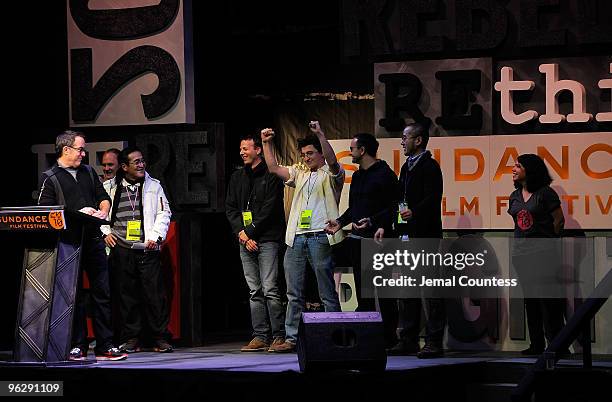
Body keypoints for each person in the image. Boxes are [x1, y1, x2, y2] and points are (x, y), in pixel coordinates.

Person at [38, 130, 127, 361]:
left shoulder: (88, 172)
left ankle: (105, 345)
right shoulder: (51, 177)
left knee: (102, 292)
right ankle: (77, 344)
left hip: (93, 240)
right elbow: (45, 215)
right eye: (80, 149)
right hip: (69, 244)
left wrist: (103, 211)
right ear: (65, 150)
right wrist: (76, 214)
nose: (83, 154)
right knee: (73, 296)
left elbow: (102, 196)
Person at [261, 121, 343, 353]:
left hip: (319, 237)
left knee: (326, 290)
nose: (306, 158)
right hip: (296, 238)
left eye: (310, 153)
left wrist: (320, 133)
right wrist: (267, 143)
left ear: (320, 154)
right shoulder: (300, 174)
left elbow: (333, 160)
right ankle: (292, 338)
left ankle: (334, 335)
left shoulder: (331, 174)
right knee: (293, 292)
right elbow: (274, 168)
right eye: (304, 154)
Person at [324, 133, 399, 347]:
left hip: (380, 242)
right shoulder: (357, 176)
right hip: (357, 240)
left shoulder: (385, 174)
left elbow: (394, 206)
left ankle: (389, 338)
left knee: (384, 293)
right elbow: (354, 207)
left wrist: (375, 221)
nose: (350, 152)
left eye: (353, 148)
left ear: (363, 150)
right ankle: (368, 338)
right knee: (362, 290)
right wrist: (340, 222)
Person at [101, 146, 173, 353]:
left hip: (147, 249)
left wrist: (155, 236)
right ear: (124, 167)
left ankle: (160, 338)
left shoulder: (154, 186)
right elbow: (99, 214)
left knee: (154, 295)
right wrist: (106, 232)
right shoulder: (110, 187)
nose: (141, 165)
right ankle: (131, 338)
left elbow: (164, 213)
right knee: (126, 297)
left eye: (142, 161)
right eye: (136, 162)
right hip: (121, 249)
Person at [226, 133, 287, 352]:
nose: (242, 152)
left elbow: (269, 210)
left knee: (270, 288)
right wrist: (241, 234)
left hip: (268, 238)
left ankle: (279, 335)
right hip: (245, 239)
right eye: (241, 149)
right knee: (254, 290)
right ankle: (260, 335)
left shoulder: (271, 176)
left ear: (258, 150)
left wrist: (250, 232)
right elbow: (231, 208)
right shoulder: (237, 177)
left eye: (246, 148)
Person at [391, 120, 446, 358]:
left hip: (426, 237)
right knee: (407, 290)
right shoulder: (406, 167)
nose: (402, 141)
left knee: (431, 292)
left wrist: (415, 212)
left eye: (405, 137)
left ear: (418, 140)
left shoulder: (430, 167)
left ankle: (433, 341)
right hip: (407, 236)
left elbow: (433, 198)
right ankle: (408, 339)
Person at [508, 153, 566, 355]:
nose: (513, 169)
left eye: (518, 166)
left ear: (529, 170)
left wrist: (548, 244)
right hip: (521, 256)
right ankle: (536, 345)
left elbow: (558, 221)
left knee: (549, 302)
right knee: (530, 301)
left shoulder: (545, 193)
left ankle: (558, 346)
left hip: (544, 255)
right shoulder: (514, 196)